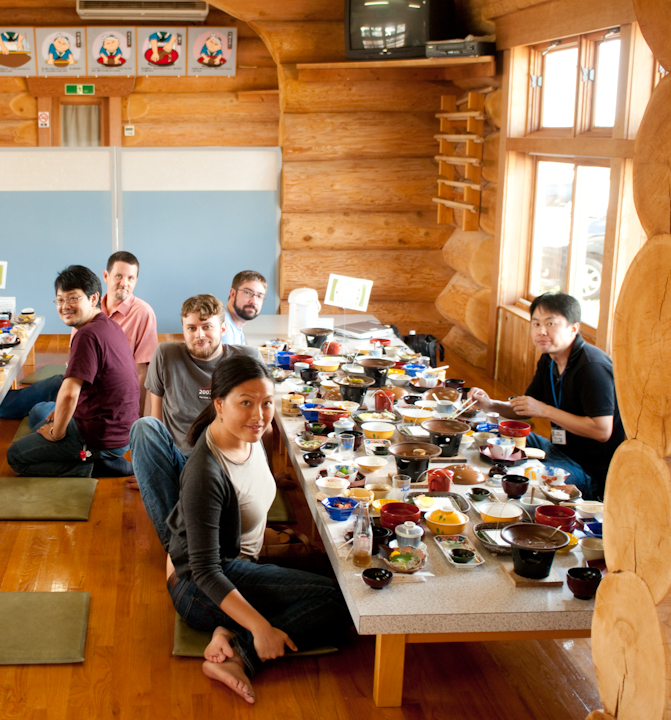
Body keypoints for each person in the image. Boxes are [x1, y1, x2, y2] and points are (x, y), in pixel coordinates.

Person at [166, 355, 351, 704]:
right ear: (219, 403)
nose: (259, 414)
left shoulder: (249, 436)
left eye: (267, 403)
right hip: (199, 589)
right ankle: (241, 655)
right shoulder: (205, 472)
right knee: (339, 603)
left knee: (343, 577)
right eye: (246, 403)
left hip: (241, 565)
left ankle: (227, 631)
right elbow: (204, 570)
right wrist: (260, 628)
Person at [130, 294, 262, 547]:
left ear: (223, 329)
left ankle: (185, 548)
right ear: (183, 329)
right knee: (143, 427)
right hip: (180, 462)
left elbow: (259, 426)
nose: (199, 335)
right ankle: (178, 547)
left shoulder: (245, 360)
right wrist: (148, 466)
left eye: (207, 327)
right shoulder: (166, 354)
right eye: (191, 328)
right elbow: (154, 419)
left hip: (223, 464)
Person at [470, 292, 624, 500]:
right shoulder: (549, 360)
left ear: (573, 328)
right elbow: (525, 409)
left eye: (551, 324)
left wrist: (545, 411)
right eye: (536, 324)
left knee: (524, 481)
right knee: (492, 434)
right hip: (557, 449)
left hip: (588, 470)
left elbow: (602, 430)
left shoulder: (592, 367)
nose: (541, 331)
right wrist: (490, 404)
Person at [7, 265, 139, 478]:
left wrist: (57, 433)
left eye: (73, 298)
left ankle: (95, 465)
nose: (65, 306)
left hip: (102, 438)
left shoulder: (87, 335)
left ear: (94, 298)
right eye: (60, 300)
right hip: (120, 429)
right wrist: (61, 415)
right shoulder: (107, 324)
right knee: (39, 413)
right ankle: (83, 449)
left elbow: (69, 393)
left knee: (16, 456)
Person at [0, 251, 157, 419]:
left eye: (130, 278)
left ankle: (51, 409)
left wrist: (135, 419)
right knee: (42, 389)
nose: (124, 283)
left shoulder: (143, 313)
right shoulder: (86, 308)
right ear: (106, 276)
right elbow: (75, 360)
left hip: (104, 395)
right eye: (119, 276)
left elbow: (142, 371)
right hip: (82, 381)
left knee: (39, 413)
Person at [221, 270, 267, 346]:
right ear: (233, 294)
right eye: (248, 293)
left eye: (259, 296)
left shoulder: (236, 326)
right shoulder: (223, 325)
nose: (254, 301)